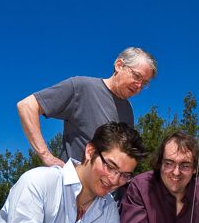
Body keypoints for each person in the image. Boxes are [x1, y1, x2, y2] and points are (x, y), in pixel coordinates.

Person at [0, 122, 148, 223]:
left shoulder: (109, 208)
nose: (114, 179)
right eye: (110, 166)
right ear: (90, 151)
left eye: (124, 175)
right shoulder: (37, 183)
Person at [18, 47, 156, 167]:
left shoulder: (128, 110)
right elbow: (27, 106)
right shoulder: (81, 87)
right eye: (137, 76)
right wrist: (45, 156)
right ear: (119, 65)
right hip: (73, 191)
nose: (139, 86)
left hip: (109, 196)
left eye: (144, 83)